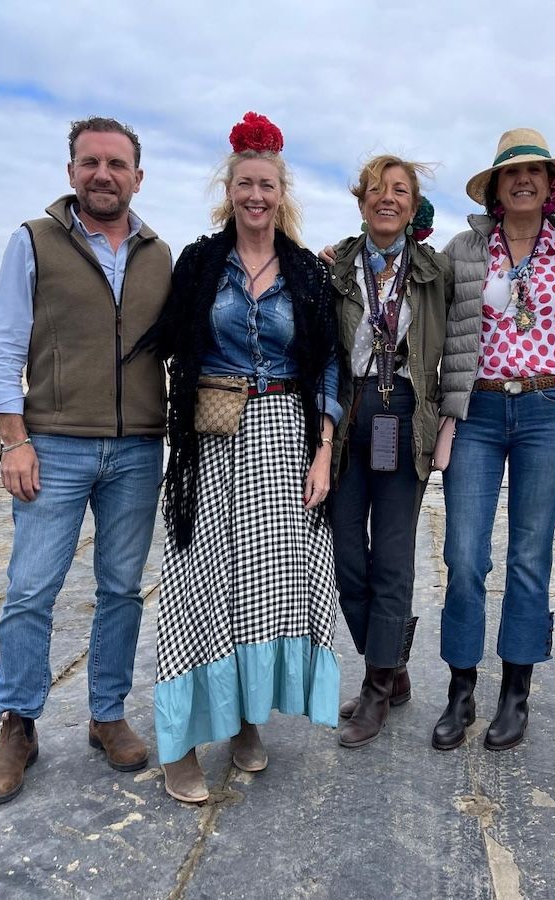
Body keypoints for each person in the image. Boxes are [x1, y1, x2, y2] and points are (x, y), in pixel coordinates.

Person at [129, 112, 343, 803]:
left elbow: (328, 365)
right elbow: (165, 344)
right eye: (245, 184)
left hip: (283, 436)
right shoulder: (199, 263)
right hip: (211, 436)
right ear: (229, 190)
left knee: (263, 589)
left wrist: (323, 452)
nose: (256, 195)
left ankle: (246, 720)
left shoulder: (307, 272)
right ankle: (181, 743)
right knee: (196, 586)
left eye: (267, 185)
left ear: (282, 194)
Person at [0, 117, 171, 804]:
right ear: (71, 172)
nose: (103, 175)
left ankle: (106, 714)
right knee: (31, 589)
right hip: (52, 444)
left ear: (137, 177)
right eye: (90, 163)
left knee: (121, 589)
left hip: (139, 446)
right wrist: (13, 439)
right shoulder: (33, 241)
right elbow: (4, 345)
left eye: (116, 164)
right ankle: (18, 725)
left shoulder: (160, 255)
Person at [434, 128, 555, 752]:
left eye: (535, 172)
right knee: (464, 556)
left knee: (529, 555)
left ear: (550, 186)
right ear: (495, 186)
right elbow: (419, 290)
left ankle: (515, 692)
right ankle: (461, 689)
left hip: (546, 411)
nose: (523, 180)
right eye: (511, 173)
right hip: (478, 412)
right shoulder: (465, 248)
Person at [325, 156, 451, 748]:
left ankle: (377, 686)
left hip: (406, 412)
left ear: (413, 206)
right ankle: (392, 667)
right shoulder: (335, 268)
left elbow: (461, 344)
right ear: (361, 201)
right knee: (348, 555)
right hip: (348, 413)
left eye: (400, 191)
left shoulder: (435, 271)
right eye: (376, 189)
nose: (387, 198)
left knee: (394, 557)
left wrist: (448, 423)